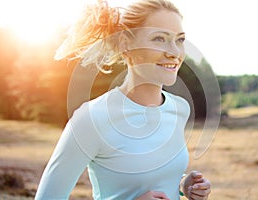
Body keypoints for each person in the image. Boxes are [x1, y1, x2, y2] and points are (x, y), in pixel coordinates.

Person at [35, 0, 211, 199]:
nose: (174, 52)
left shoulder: (180, 108)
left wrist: (182, 184)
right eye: (159, 38)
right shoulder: (91, 118)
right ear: (127, 44)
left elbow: (150, 173)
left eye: (179, 40)